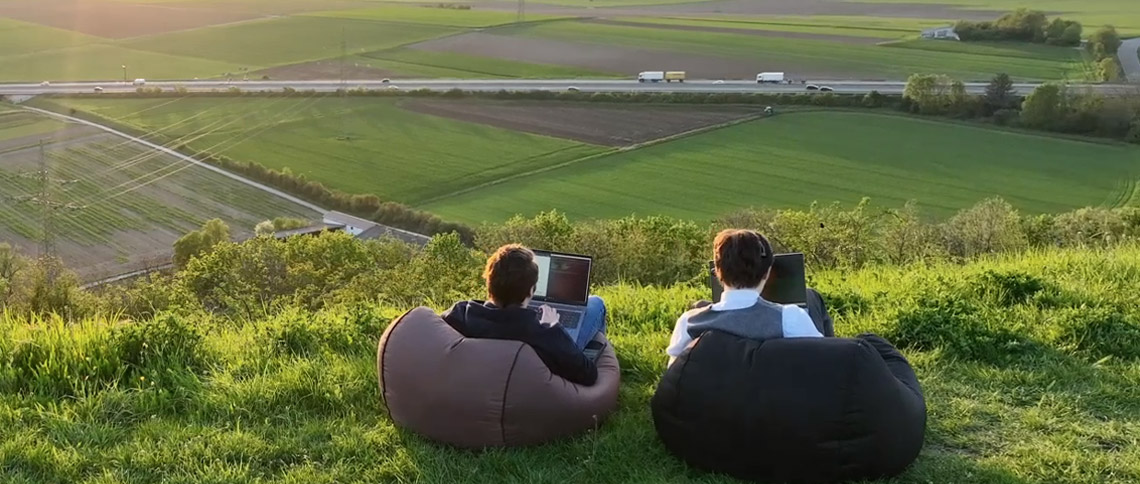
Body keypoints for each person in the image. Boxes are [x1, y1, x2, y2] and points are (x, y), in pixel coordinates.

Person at [441, 244, 607, 386]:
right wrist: (555, 326)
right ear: (531, 290)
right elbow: (588, 375)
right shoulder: (544, 334)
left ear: (489, 283)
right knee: (596, 304)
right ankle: (603, 351)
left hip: (478, 383)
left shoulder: (461, 313)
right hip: (540, 389)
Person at [666, 229, 829, 367]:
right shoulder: (790, 318)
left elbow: (674, 377)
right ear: (767, 272)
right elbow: (825, 363)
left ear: (717, 271)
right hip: (775, 394)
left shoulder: (689, 323)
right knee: (811, 296)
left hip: (714, 395)